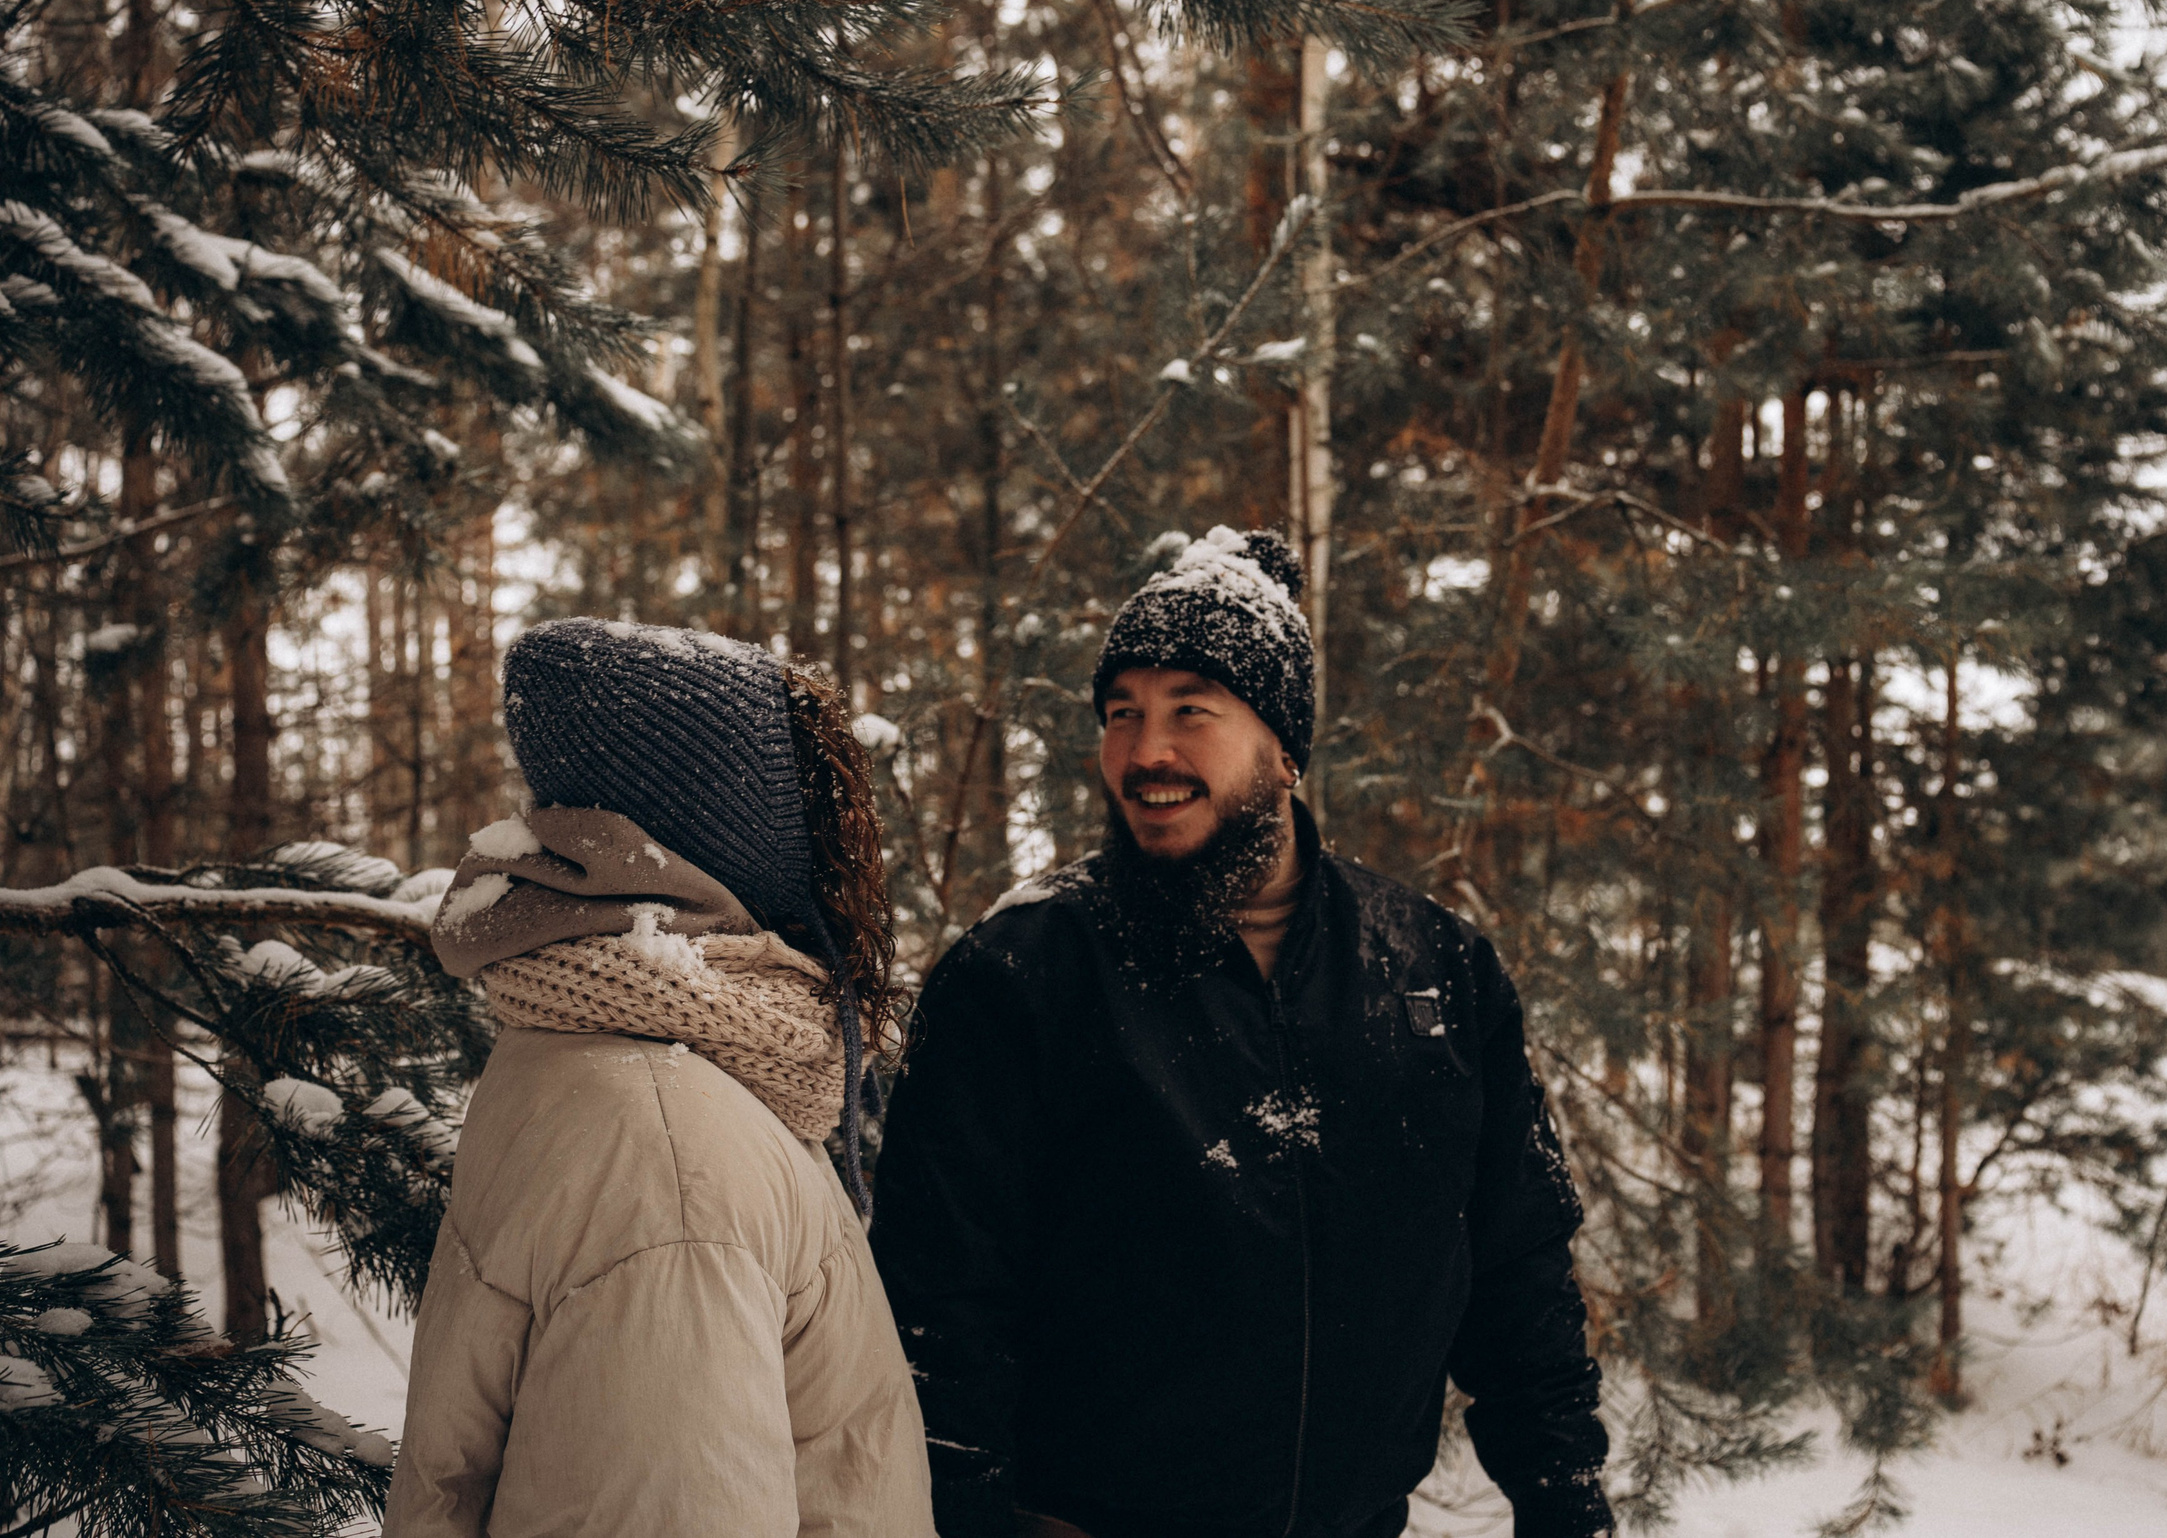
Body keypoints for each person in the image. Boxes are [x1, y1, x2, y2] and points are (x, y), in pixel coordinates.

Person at [871, 527, 1614, 1538]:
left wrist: (1566, 1501)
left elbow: (1518, 1276)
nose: (1145, 751)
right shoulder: (1022, 974)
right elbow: (937, 1315)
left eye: (1190, 711)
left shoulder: (1435, 969)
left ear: (1284, 746)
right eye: (1121, 713)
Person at [385, 618, 931, 1538]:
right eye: (806, 805)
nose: (836, 846)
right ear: (723, 834)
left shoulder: (618, 1044)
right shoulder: (671, 1158)